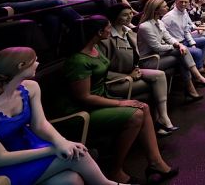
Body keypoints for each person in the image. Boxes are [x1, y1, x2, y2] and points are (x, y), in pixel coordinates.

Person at [0, 47, 119, 185]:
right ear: (21, 66)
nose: (38, 63)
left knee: (70, 180)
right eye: (35, 60)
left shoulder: (31, 87)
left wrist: (61, 141)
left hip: (22, 148)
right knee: (76, 155)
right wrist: (53, 149)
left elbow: (40, 124)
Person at [62, 17, 179, 183]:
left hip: (101, 98)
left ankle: (155, 162)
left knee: (143, 107)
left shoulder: (95, 48)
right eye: (109, 27)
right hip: (82, 110)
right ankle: (115, 170)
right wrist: (121, 102)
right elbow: (84, 97)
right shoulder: (78, 60)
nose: (111, 30)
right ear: (99, 32)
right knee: (136, 114)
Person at [100, 4, 178, 137]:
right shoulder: (106, 39)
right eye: (125, 15)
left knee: (159, 75)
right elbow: (102, 70)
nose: (130, 16)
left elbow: (135, 57)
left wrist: (135, 68)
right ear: (115, 17)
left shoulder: (129, 32)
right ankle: (156, 125)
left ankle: (163, 118)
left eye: (130, 13)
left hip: (133, 72)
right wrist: (127, 75)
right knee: (153, 86)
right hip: (116, 80)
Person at [136, 0, 205, 99]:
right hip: (149, 60)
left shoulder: (159, 22)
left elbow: (168, 38)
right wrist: (177, 46)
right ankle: (195, 81)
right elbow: (156, 47)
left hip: (159, 55)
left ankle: (192, 86)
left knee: (181, 52)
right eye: (165, 6)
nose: (167, 8)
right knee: (181, 54)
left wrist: (179, 45)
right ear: (156, 10)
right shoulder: (145, 26)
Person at [161, 0, 205, 73]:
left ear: (188, 3)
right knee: (197, 51)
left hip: (184, 40)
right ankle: (200, 69)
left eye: (185, 2)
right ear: (176, 2)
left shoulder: (184, 12)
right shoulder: (168, 17)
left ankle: (201, 63)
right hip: (176, 44)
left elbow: (186, 30)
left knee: (204, 40)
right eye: (181, 2)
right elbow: (164, 35)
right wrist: (178, 44)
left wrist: (192, 43)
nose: (183, 4)